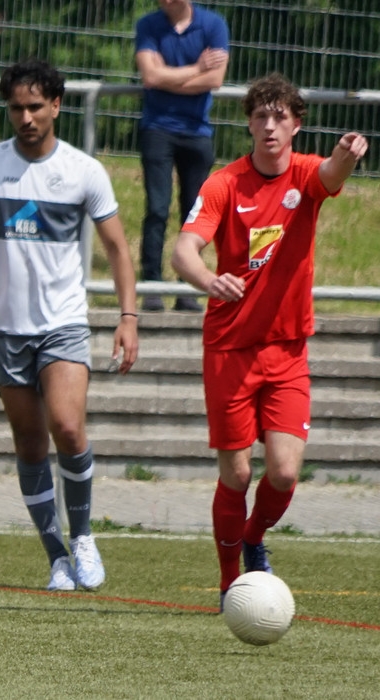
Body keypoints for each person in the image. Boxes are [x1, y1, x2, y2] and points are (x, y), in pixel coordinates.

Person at [171, 73, 367, 608]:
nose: (270, 126)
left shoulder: (305, 175)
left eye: (281, 116)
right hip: (230, 348)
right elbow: (183, 250)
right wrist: (209, 279)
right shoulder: (224, 184)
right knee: (236, 473)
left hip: (287, 349)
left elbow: (331, 174)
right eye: (261, 116)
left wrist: (347, 154)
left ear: (296, 124)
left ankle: (254, 537)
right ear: (250, 124)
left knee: (282, 471)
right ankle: (228, 582)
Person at [0, 59, 139, 592]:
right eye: (16, 108)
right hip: (7, 329)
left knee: (68, 427)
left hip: (63, 324)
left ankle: (82, 537)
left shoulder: (84, 171)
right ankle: (57, 556)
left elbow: (117, 248)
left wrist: (128, 316)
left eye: (36, 106)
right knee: (31, 443)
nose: (26, 117)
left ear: (56, 105)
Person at [135, 0, 229, 312]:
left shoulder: (213, 25)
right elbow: (150, 77)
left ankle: (188, 288)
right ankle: (152, 286)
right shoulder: (148, 25)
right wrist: (197, 69)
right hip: (157, 129)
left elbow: (215, 80)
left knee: (194, 213)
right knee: (157, 209)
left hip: (197, 132)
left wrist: (168, 76)